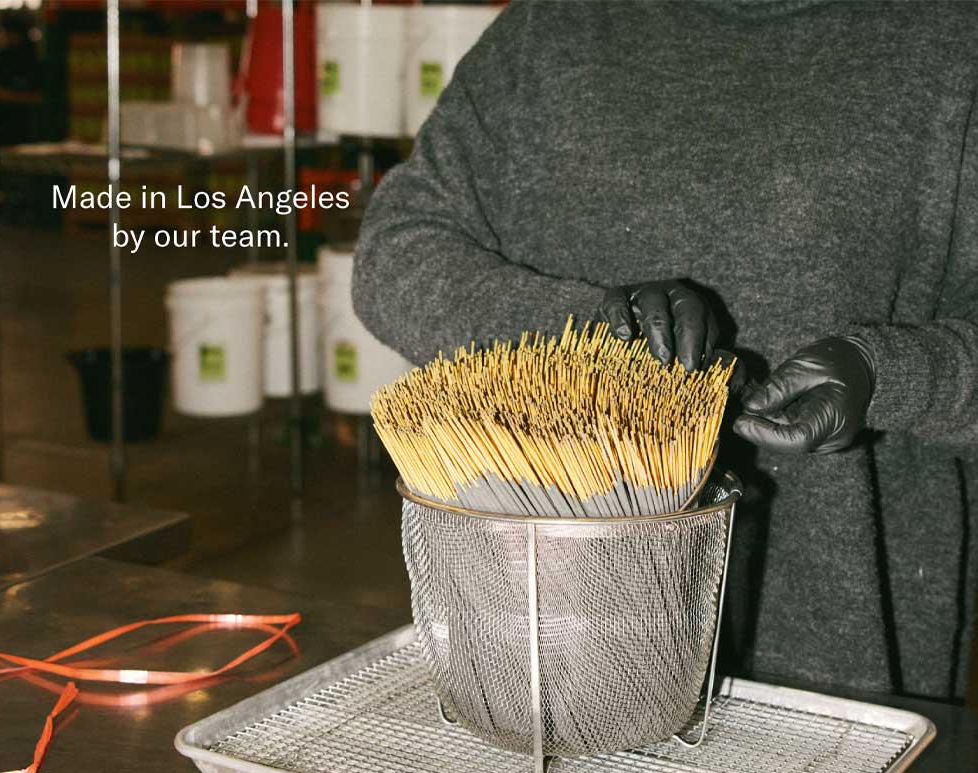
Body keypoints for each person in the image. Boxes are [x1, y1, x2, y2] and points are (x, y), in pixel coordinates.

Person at [352, 0, 978, 700]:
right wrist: (588, 332)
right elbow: (393, 255)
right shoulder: (552, 29)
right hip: (544, 635)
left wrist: (894, 374)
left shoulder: (950, 41)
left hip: (838, 650)